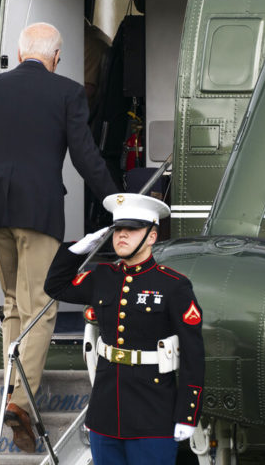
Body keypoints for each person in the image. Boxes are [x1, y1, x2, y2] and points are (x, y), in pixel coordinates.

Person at [0, 22, 117, 453]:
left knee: (12, 302)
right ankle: (21, 405)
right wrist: (116, 201)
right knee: (41, 306)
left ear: (21, 54)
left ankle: (10, 391)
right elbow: (85, 156)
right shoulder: (66, 92)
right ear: (56, 57)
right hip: (37, 210)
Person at [43, 193, 205, 465]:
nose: (122, 235)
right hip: (105, 413)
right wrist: (76, 251)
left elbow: (193, 355)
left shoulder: (173, 286)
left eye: (132, 229)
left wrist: (187, 414)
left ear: (151, 237)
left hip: (153, 414)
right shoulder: (103, 277)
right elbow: (55, 286)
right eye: (118, 229)